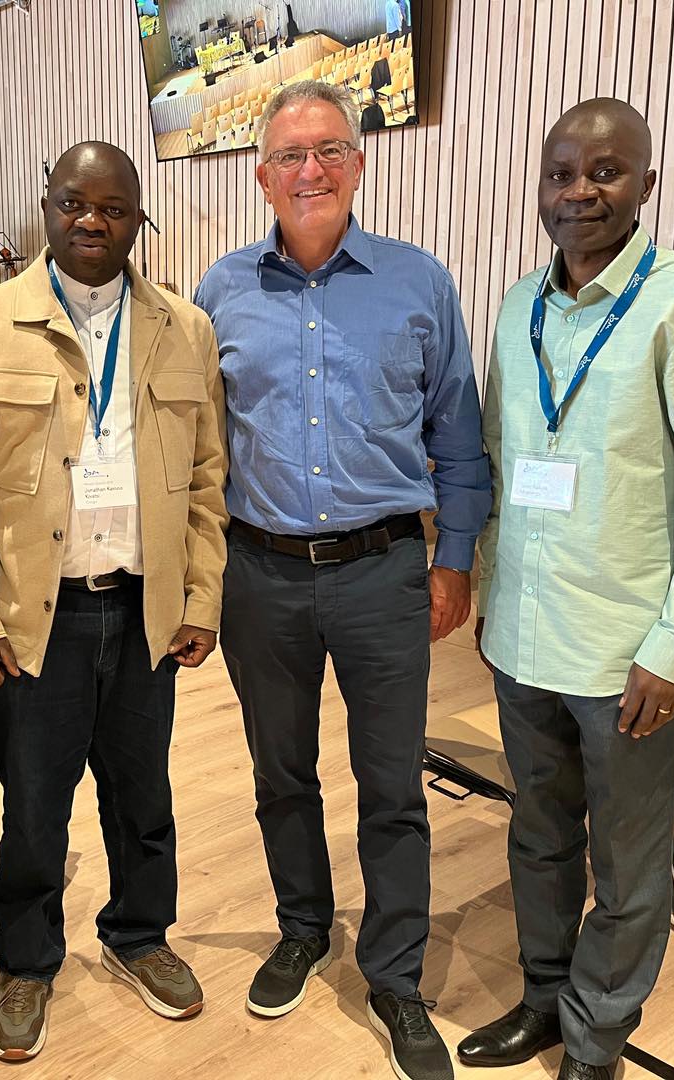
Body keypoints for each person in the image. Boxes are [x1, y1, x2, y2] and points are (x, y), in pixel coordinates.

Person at [461, 98, 674, 1080]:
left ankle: (595, 1041)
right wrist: (489, 588)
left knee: (630, 866)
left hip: (627, 654)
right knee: (538, 836)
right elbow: (499, 458)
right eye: (561, 173)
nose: (580, 192)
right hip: (524, 637)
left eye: (605, 171)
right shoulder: (519, 304)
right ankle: (544, 1000)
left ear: (647, 184)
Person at [193, 81, 490, 1080]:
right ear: (262, 175)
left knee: (392, 784)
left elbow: (460, 438)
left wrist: (454, 561)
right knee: (280, 773)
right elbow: (198, 448)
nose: (310, 170)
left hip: (384, 572)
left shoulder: (418, 283)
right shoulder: (221, 291)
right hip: (259, 575)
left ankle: (396, 976)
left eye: (328, 150)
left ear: (358, 163)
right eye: (290, 155)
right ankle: (302, 928)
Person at [0, 141, 229, 1064]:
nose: (91, 221)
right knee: (34, 802)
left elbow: (208, 477)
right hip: (34, 619)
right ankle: (26, 959)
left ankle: (140, 935)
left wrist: (203, 598)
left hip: (143, 609)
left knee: (143, 793)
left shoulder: (185, 327)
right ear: (46, 206)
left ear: (139, 218)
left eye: (113, 207)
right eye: (73, 203)